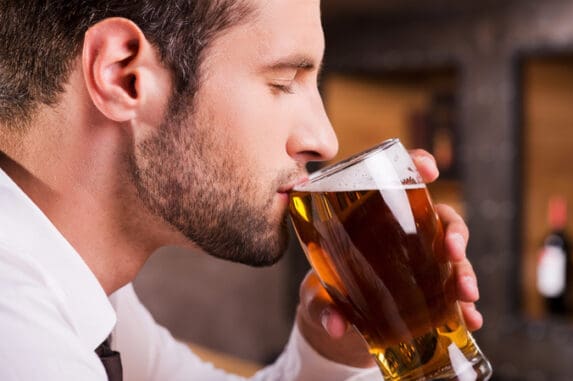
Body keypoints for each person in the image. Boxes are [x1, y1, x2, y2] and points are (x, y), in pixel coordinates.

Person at [0, 0, 483, 380]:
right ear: (123, 76)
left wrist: (333, 352)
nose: (324, 140)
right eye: (283, 82)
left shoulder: (86, 294)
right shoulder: (17, 336)